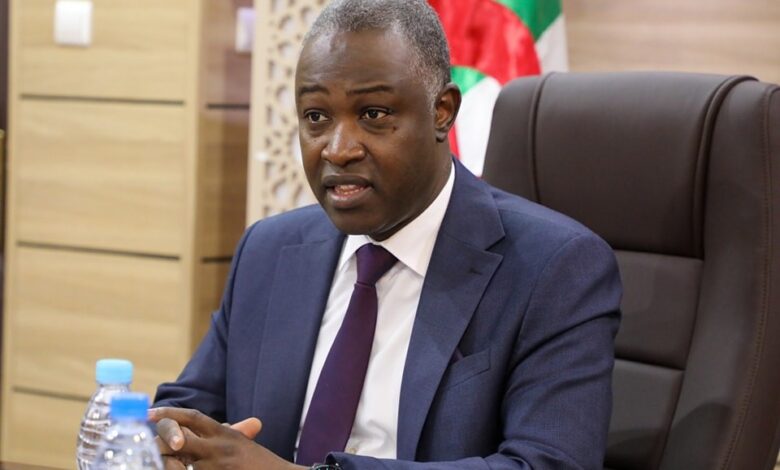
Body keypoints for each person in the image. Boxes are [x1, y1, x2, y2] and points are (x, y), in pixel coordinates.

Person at [150, 0, 622, 468]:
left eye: (373, 114)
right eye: (316, 117)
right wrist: (167, 441)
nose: (338, 149)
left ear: (442, 112)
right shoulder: (269, 250)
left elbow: (547, 463)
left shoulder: (555, 268)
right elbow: (192, 408)